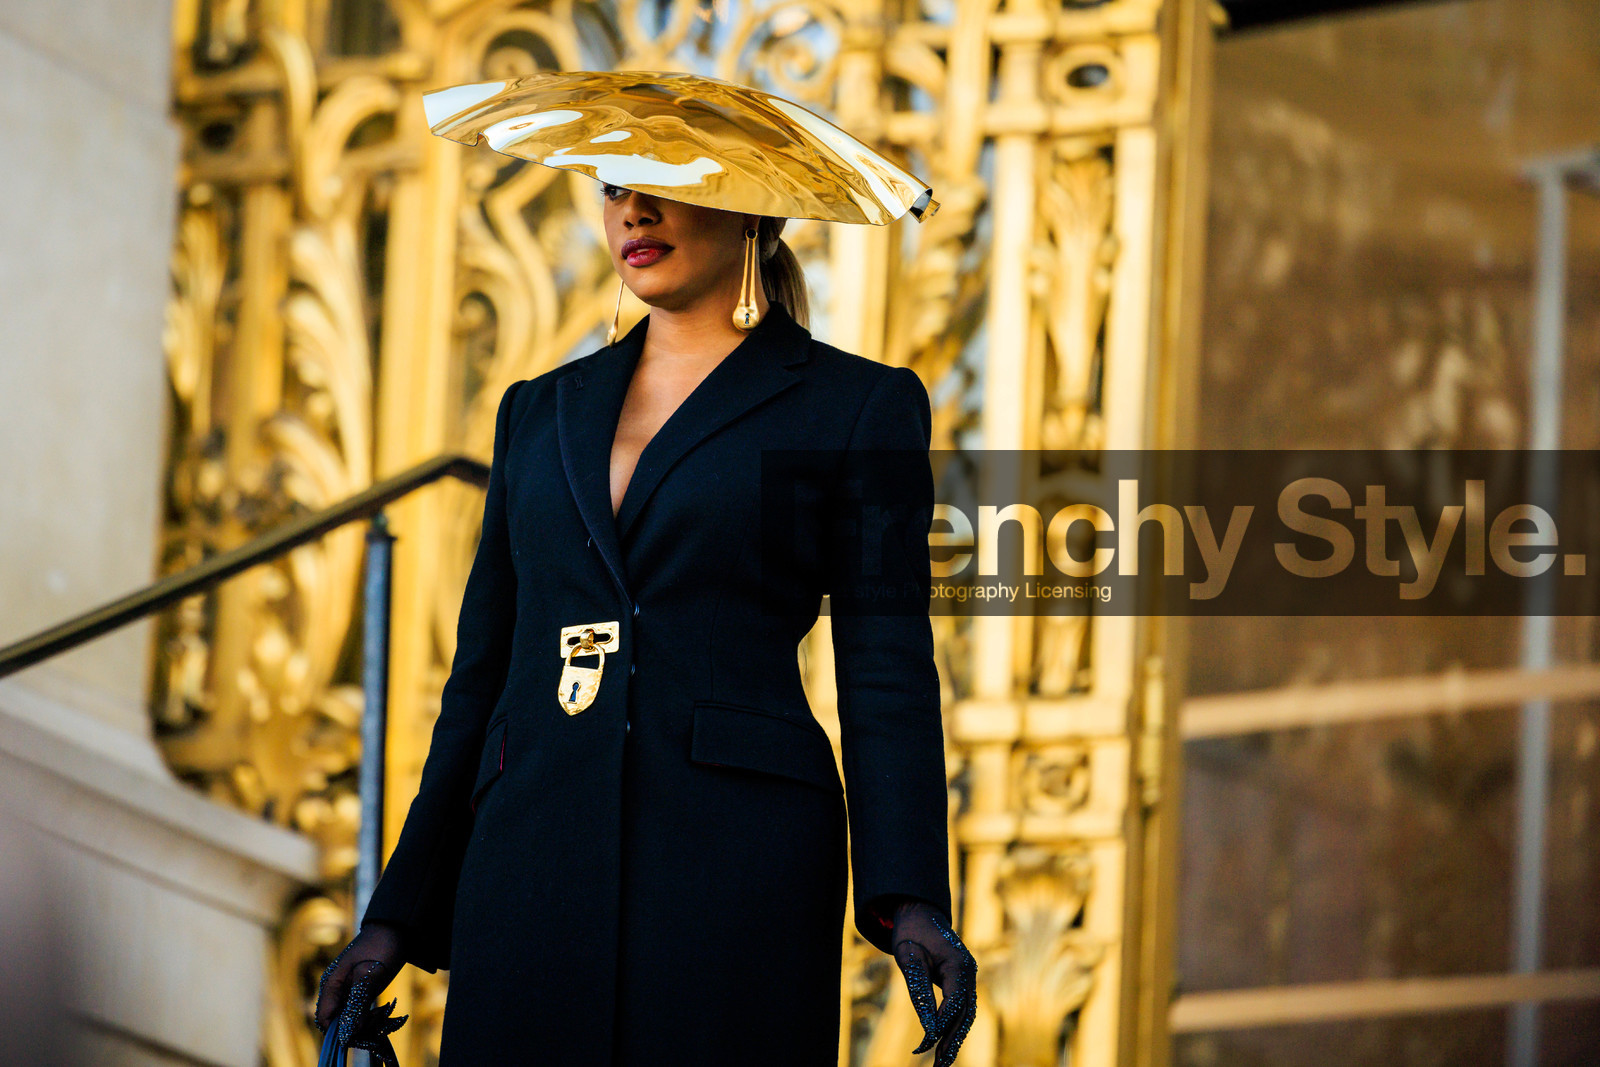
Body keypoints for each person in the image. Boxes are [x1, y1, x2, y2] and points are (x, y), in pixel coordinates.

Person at [314, 179, 977, 1066]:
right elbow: (481, 679)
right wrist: (395, 914)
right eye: (617, 189)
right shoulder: (536, 410)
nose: (635, 212)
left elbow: (885, 666)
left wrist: (911, 896)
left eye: (669, 189)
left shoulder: (856, 406)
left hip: (736, 859)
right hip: (530, 858)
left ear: (754, 212)